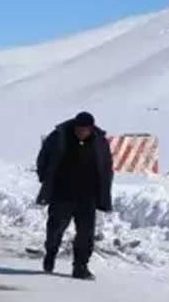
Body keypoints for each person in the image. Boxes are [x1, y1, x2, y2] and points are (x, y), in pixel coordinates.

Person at [36, 111, 113, 280]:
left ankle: (80, 266)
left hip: (88, 195)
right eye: (79, 129)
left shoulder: (99, 142)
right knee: (55, 228)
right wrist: (45, 178)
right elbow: (43, 158)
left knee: (86, 234)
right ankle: (51, 252)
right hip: (62, 193)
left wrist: (104, 191)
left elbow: (106, 166)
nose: (82, 133)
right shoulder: (59, 137)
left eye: (85, 130)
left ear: (91, 129)